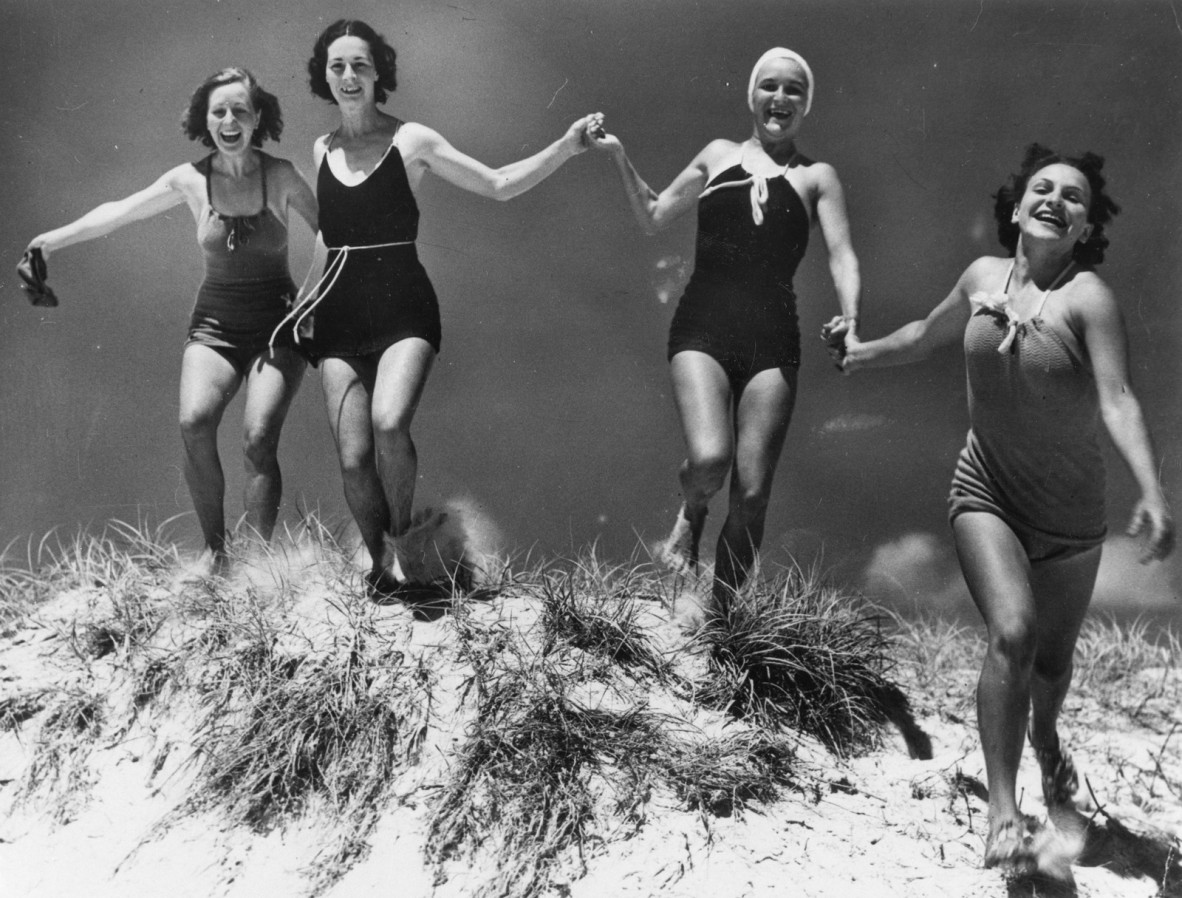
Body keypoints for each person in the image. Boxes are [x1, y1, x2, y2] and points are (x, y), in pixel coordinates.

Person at [827, 143, 1175, 876]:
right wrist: (856, 352)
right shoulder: (983, 278)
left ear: (1085, 228)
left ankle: (1047, 742)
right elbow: (924, 336)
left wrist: (1150, 488)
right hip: (986, 493)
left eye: (1073, 197)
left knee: (1051, 667)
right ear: (1016, 209)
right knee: (1011, 635)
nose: (1054, 199)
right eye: (1041, 189)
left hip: (1073, 518)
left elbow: (1117, 397)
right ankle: (1003, 814)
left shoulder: (1089, 299)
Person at [287, 19, 602, 597]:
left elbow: (500, 182)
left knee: (389, 424)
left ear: (379, 71)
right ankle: (381, 573)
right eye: (337, 67)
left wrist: (567, 145)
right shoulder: (322, 148)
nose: (349, 77)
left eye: (360, 64)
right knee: (354, 460)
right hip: (338, 316)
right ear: (323, 77)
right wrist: (301, 305)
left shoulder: (412, 141)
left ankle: (412, 551)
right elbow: (329, 238)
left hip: (403, 308)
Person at [589, 48, 861, 615]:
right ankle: (692, 512)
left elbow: (842, 254)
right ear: (752, 96)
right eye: (770, 87)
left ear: (806, 104)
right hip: (703, 325)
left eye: (793, 90)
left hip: (773, 337)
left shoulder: (817, 177)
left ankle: (720, 617)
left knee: (754, 492)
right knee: (711, 459)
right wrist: (619, 155)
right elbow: (654, 213)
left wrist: (850, 313)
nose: (780, 99)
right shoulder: (718, 156)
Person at [23, 68, 319, 578]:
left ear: (258, 118)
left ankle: (259, 566)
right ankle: (216, 552)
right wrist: (47, 241)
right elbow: (119, 212)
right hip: (214, 327)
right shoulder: (190, 179)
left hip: (278, 325)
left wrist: (309, 302)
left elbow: (333, 235)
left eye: (241, 110)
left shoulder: (283, 175)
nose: (229, 120)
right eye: (218, 111)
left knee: (257, 438)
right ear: (205, 121)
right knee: (194, 422)